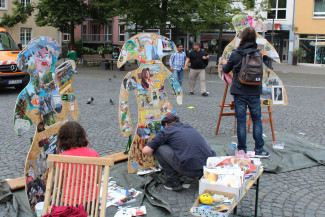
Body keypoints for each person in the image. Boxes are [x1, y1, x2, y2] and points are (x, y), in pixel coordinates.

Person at [220, 27, 270, 158]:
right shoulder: (259, 53)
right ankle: (259, 149)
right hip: (255, 91)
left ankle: (242, 150)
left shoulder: (236, 53)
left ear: (242, 38)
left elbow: (226, 69)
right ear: (254, 38)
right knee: (257, 120)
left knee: (241, 121)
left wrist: (225, 62)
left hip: (240, 91)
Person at [142, 114, 216, 191]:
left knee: (159, 148)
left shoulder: (166, 130)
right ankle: (194, 175)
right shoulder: (189, 127)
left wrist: (153, 153)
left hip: (190, 170)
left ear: (166, 125)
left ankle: (173, 182)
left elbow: (145, 151)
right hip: (207, 168)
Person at [57, 121, 99, 205]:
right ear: (83, 136)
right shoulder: (93, 154)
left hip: (70, 202)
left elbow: (59, 183)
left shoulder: (61, 158)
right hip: (91, 200)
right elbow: (97, 180)